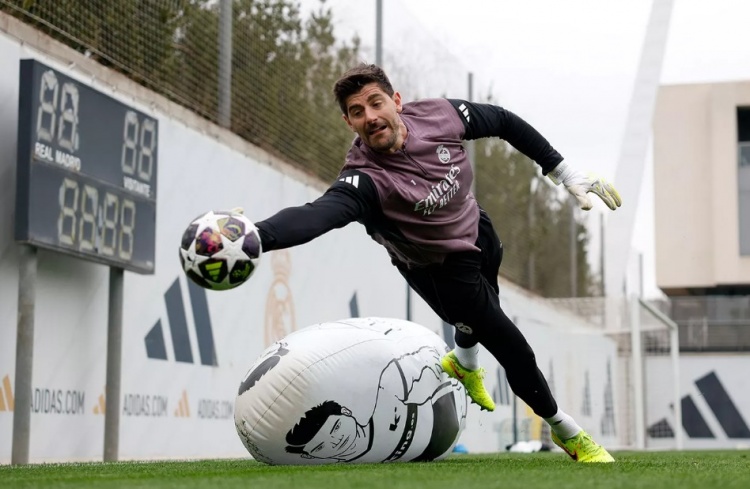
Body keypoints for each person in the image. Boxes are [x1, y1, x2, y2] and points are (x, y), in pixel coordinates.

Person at [253, 63, 621, 463]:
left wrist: (562, 170)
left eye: (376, 103)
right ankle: (567, 432)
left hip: (478, 230)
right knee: (512, 346)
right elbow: (317, 215)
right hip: (440, 271)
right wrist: (254, 236)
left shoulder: (438, 115)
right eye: (357, 112)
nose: (370, 116)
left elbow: (502, 121)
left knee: (486, 297)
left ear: (396, 101)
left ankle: (463, 361)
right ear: (349, 123)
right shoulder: (365, 179)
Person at [284, 346, 467, 463]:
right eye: (320, 447)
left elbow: (427, 356)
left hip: (446, 425)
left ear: (346, 412)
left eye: (336, 427)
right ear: (309, 455)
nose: (336, 440)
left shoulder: (389, 393)